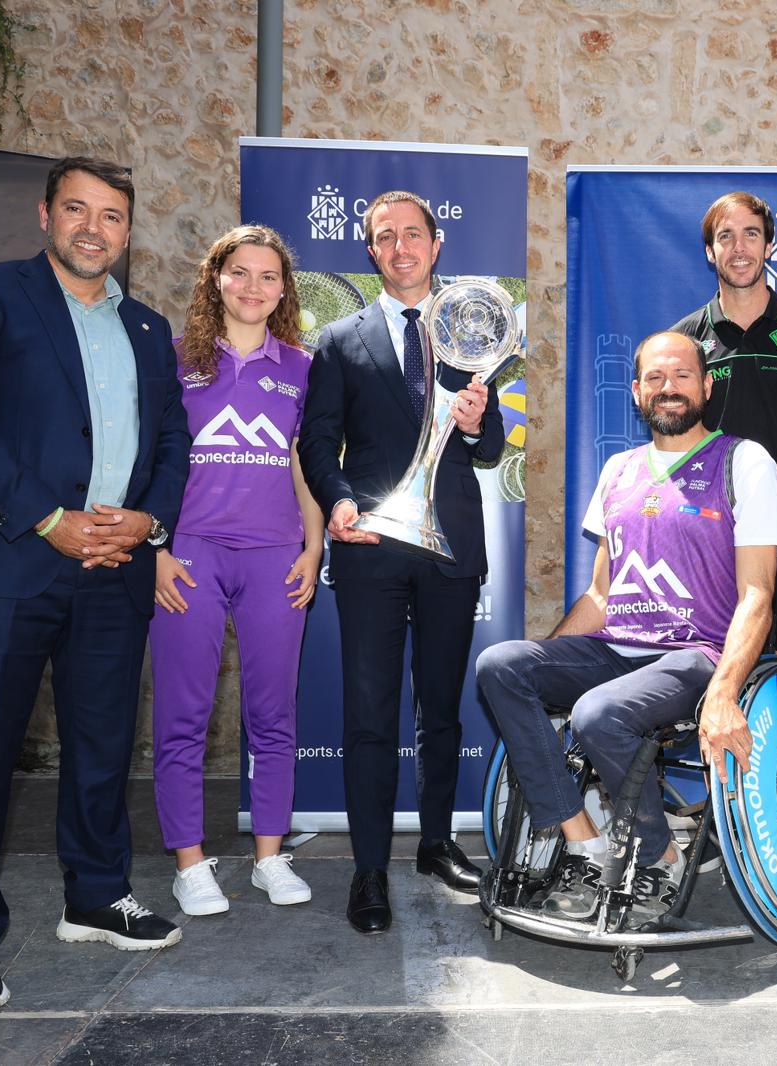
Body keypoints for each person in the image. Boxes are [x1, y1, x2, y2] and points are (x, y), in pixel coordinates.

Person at [0, 157, 190, 1015]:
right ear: (45, 214)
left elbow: (175, 440)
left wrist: (147, 521)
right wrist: (48, 517)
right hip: (8, 563)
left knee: (104, 744)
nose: (92, 228)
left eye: (111, 216)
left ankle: (96, 894)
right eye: (77, 209)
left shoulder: (147, 328)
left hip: (114, 568)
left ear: (127, 231)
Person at [475, 330, 777, 921]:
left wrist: (722, 691)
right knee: (501, 666)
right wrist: (546, 666)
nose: (669, 389)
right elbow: (600, 592)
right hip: (618, 649)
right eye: (655, 379)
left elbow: (759, 593)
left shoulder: (744, 461)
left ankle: (660, 855)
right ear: (638, 391)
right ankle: (582, 840)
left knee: (598, 713)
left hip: (695, 656)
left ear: (707, 384)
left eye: (683, 376)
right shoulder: (619, 469)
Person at [298, 190, 503, 936]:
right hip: (370, 549)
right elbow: (317, 441)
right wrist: (340, 500)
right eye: (385, 237)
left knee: (441, 709)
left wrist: (481, 424)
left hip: (450, 550)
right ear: (373, 252)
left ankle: (439, 842)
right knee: (370, 714)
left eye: (412, 234)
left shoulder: (468, 328)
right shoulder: (339, 340)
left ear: (436, 244)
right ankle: (369, 868)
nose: (401, 247)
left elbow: (489, 446)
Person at [149, 225, 324, 916]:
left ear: (284, 290)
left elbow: (304, 466)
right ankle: (189, 863)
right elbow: (152, 465)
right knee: (183, 714)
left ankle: (269, 857)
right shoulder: (174, 360)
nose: (254, 287)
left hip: (275, 556)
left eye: (268, 276)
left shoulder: (302, 368)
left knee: (272, 714)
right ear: (215, 277)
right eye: (241, 273)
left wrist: (312, 549)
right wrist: (158, 549)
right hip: (190, 553)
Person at [671, 191, 777, 670]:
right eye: (726, 237)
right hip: (711, 528)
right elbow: (677, 438)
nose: (739, 248)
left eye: (751, 234)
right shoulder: (687, 338)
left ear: (768, 246)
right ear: (710, 251)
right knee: (711, 664)